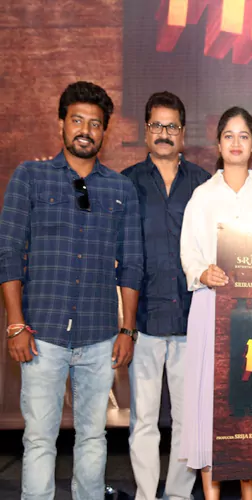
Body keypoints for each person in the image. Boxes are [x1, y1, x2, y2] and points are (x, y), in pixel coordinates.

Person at [0, 81, 143, 500]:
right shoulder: (30, 177)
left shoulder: (120, 189)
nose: (85, 130)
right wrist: (15, 324)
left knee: (93, 438)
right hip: (40, 334)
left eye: (95, 124)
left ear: (104, 132)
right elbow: (9, 252)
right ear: (61, 124)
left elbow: (132, 264)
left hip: (99, 337)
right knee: (39, 440)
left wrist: (127, 330)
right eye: (77, 120)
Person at [179, 107, 252, 500]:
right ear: (218, 144)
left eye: (243, 136)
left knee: (247, 409)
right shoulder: (202, 196)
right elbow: (188, 253)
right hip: (210, 310)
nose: (236, 143)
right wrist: (202, 273)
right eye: (229, 135)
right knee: (210, 408)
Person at [122, 91, 211, 500]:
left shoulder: (203, 184)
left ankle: (177, 495)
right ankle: (145, 493)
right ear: (146, 131)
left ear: (183, 133)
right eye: (156, 125)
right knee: (143, 419)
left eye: (171, 126)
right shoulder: (126, 183)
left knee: (186, 421)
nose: (163, 133)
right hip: (143, 321)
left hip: (192, 320)